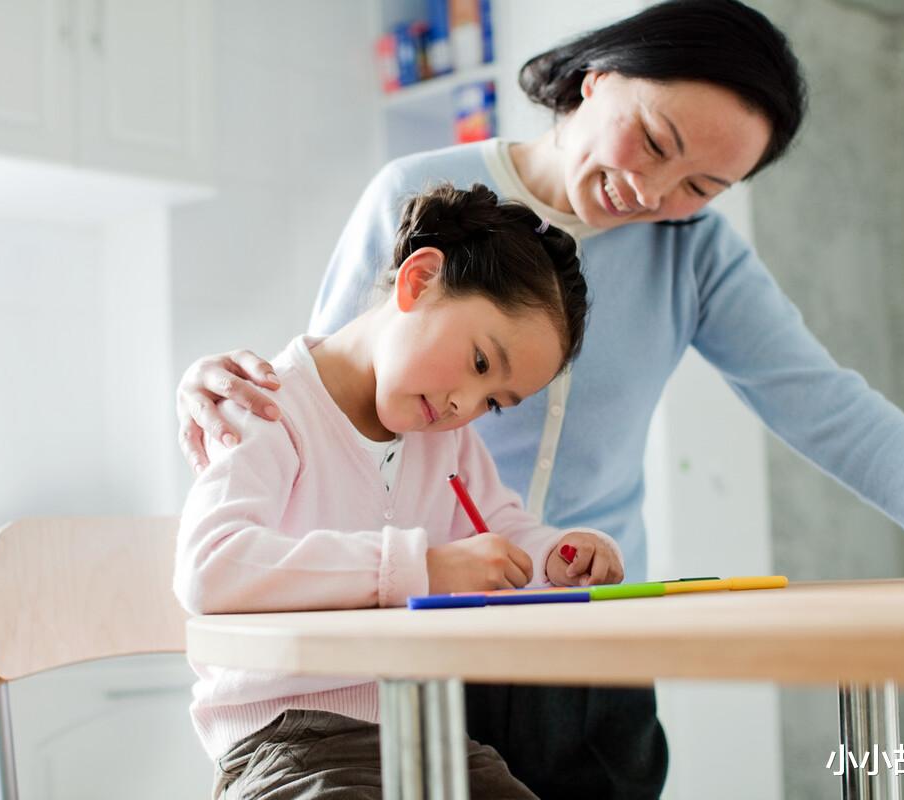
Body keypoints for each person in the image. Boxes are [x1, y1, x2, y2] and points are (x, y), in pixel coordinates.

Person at [174, 1, 904, 797]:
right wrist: (218, 385)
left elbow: (824, 403)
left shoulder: (695, 253)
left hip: (593, 636)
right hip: (429, 633)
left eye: (702, 186)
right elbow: (344, 397)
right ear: (599, 78)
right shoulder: (425, 190)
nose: (655, 196)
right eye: (654, 141)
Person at [173, 182, 623, 799]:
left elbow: (503, 531)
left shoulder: (450, 443)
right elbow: (210, 569)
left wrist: (560, 556)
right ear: (419, 280)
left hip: (421, 731)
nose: (466, 403)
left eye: (493, 402)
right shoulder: (267, 407)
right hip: (286, 742)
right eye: (481, 363)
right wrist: (422, 568)